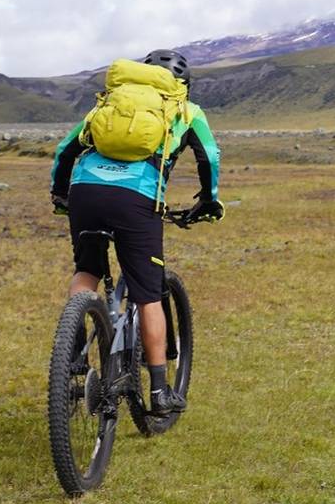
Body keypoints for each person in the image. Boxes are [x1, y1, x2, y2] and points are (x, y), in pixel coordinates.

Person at [49, 48, 223, 414]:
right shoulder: (186, 110)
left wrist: (62, 195)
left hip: (85, 191)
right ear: (184, 86)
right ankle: (159, 393)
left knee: (87, 271)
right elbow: (209, 156)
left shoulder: (111, 102)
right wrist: (209, 200)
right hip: (136, 199)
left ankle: (74, 360)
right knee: (147, 296)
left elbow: (66, 150)